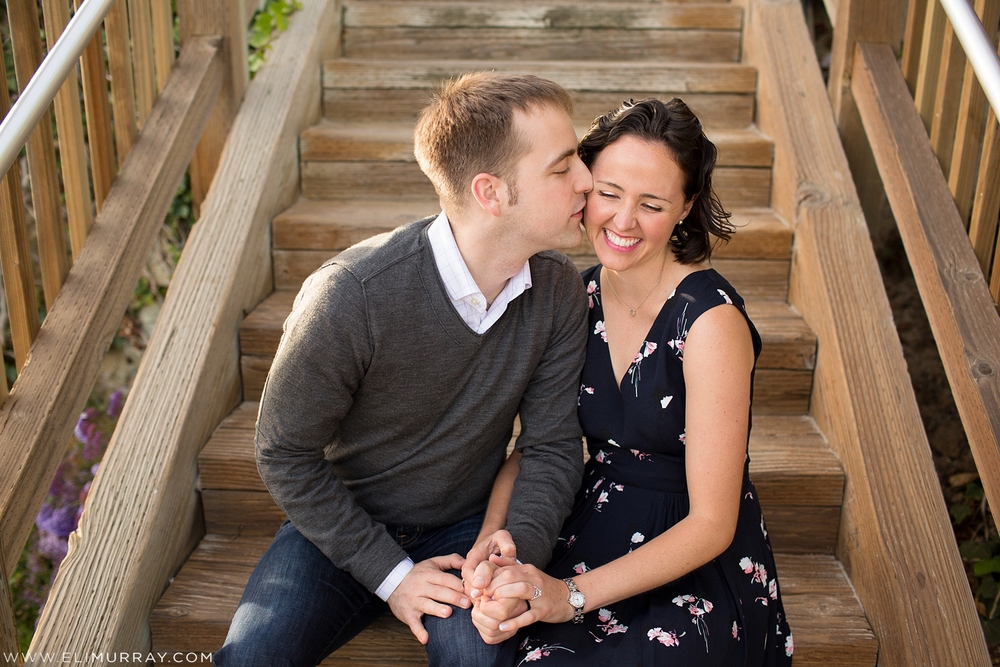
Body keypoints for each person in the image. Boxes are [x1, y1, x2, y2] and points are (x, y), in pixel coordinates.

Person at [213, 72, 593, 667]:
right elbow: (282, 453)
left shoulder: (558, 292)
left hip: (467, 531)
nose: (587, 182)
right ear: (491, 193)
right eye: (563, 167)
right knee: (253, 656)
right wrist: (391, 575)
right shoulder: (351, 296)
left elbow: (550, 447)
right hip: (340, 529)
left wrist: (516, 550)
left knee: (481, 658)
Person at [468, 98, 795, 665]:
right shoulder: (577, 295)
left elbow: (713, 523)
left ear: (686, 207)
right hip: (588, 523)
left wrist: (568, 597)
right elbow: (542, 444)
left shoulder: (709, 321)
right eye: (609, 193)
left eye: (651, 204)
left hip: (690, 557)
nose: (621, 222)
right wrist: (493, 539)